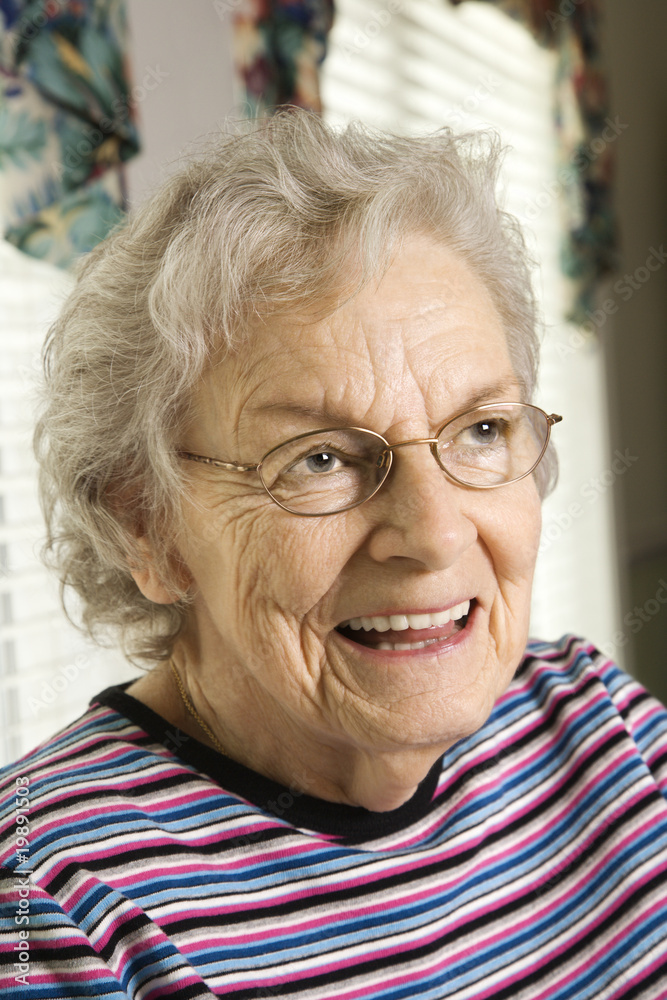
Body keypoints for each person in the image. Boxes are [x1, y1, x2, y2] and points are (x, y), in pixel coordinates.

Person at [1, 109, 667, 1000]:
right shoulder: (44, 907)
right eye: (319, 459)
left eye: (479, 430)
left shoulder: (594, 726)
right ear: (147, 530)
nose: (433, 534)